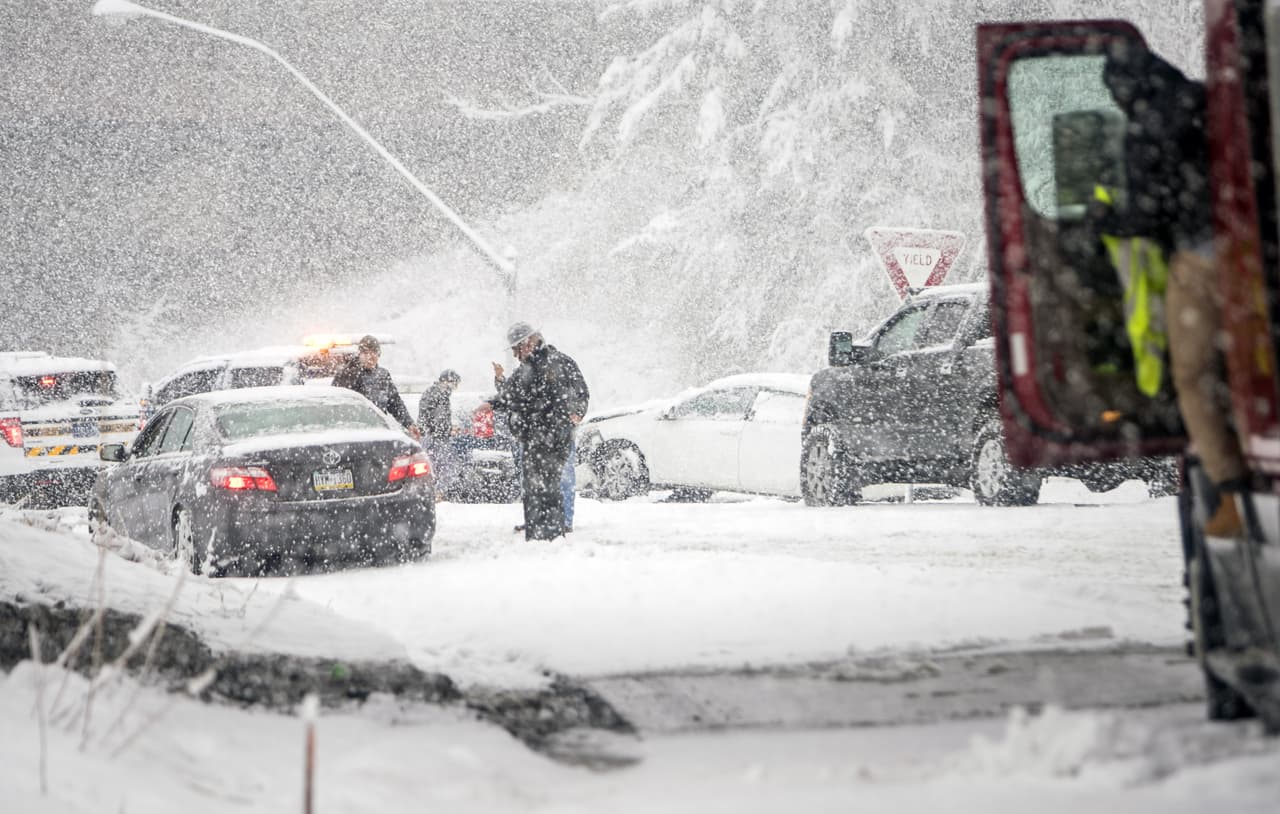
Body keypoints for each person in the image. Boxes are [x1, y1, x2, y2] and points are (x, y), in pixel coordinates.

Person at [1101, 44, 1246, 536]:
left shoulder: (1145, 128)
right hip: (1254, 252)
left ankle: (1231, 493)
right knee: (1249, 364)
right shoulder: (1207, 100)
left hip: (1202, 260)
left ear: (1124, 89)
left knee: (1193, 375)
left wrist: (1108, 219)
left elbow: (1149, 213)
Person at [487, 322, 589, 540]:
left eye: (517, 348)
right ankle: (539, 520)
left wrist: (578, 412)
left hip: (558, 433)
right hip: (533, 435)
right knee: (534, 480)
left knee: (562, 476)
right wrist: (498, 387)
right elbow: (511, 394)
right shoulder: (526, 369)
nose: (515, 355)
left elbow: (581, 391)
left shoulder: (561, 362)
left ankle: (564, 521)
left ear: (529, 342)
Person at [332, 335, 422, 441]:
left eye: (373, 352)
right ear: (359, 354)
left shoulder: (383, 375)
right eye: (366, 353)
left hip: (379, 432)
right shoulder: (346, 375)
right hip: (354, 434)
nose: (370, 357)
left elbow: (395, 403)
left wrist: (409, 424)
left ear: (378, 355)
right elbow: (336, 405)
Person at [418, 369, 461, 494]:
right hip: (435, 437)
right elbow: (437, 419)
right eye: (454, 383)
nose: (455, 387)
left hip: (431, 436)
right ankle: (438, 492)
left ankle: (433, 492)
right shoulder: (438, 394)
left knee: (434, 467)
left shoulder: (436, 393)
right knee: (446, 467)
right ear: (446, 381)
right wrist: (448, 429)